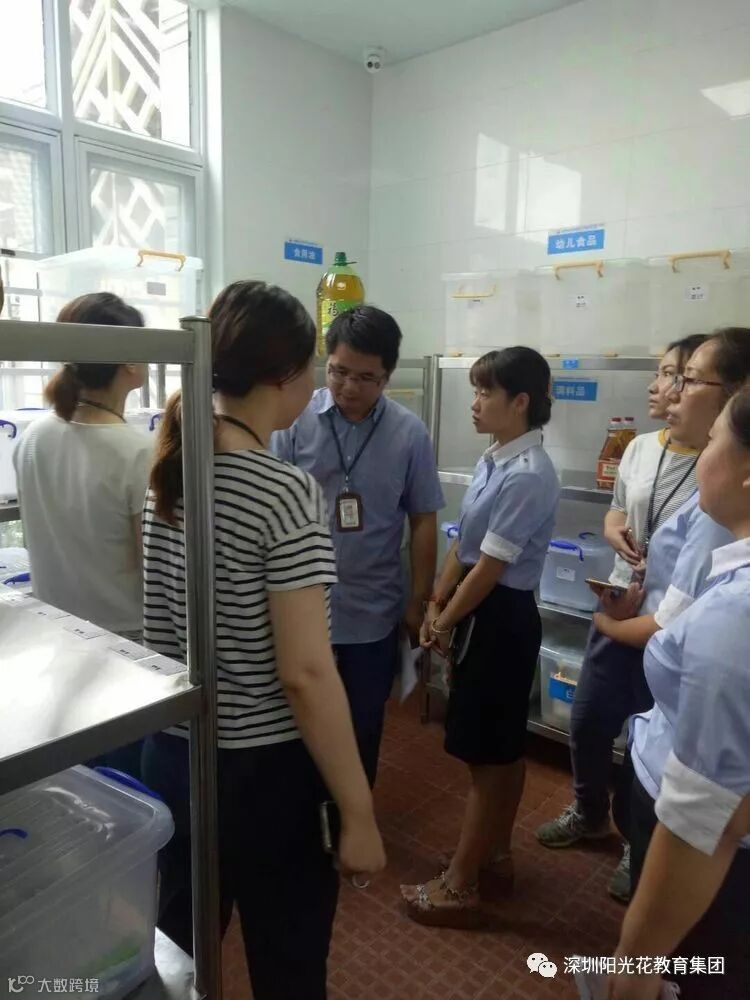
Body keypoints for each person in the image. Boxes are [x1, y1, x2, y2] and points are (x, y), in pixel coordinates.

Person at [141, 281, 385, 1000]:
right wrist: (359, 813)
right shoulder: (282, 490)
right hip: (261, 774)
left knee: (174, 959)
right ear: (288, 375)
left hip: (173, 753)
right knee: (288, 964)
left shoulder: (168, 468)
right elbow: (305, 673)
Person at [536, 330, 749, 902]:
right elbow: (618, 512)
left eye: (685, 378)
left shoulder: (720, 496)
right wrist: (616, 548)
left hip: (649, 629)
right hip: (625, 607)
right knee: (590, 721)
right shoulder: (640, 449)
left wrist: (608, 624)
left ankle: (637, 840)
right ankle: (594, 813)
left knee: (647, 743)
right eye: (667, 376)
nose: (668, 390)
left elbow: (709, 797)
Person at [401, 347, 559, 927]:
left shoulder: (529, 474)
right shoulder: (495, 457)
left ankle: (461, 883)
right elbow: (462, 543)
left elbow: (491, 567)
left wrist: (442, 622)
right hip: (477, 608)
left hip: (500, 618)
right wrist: (435, 602)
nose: (474, 403)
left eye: (485, 392)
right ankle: (494, 855)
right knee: (497, 749)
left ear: (520, 402)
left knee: (491, 759)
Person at [609, 386, 750, 1000]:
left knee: (694, 974)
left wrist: (632, 966)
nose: (703, 455)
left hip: (711, 870)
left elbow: (705, 818)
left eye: (715, 440)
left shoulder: (738, 613)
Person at [272, 305, 444, 786]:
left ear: (387, 376)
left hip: (372, 610)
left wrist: (418, 599)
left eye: (366, 378)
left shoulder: (409, 433)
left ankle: (353, 812)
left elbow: (423, 519)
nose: (349, 387)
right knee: (297, 726)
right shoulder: (294, 421)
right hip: (302, 606)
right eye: (338, 371)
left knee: (363, 725)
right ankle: (305, 817)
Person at [13, 292, 152, 776]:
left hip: (56, 636)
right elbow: (151, 565)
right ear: (129, 362)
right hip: (124, 646)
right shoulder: (137, 452)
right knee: (125, 782)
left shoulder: (34, 438)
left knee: (80, 777)